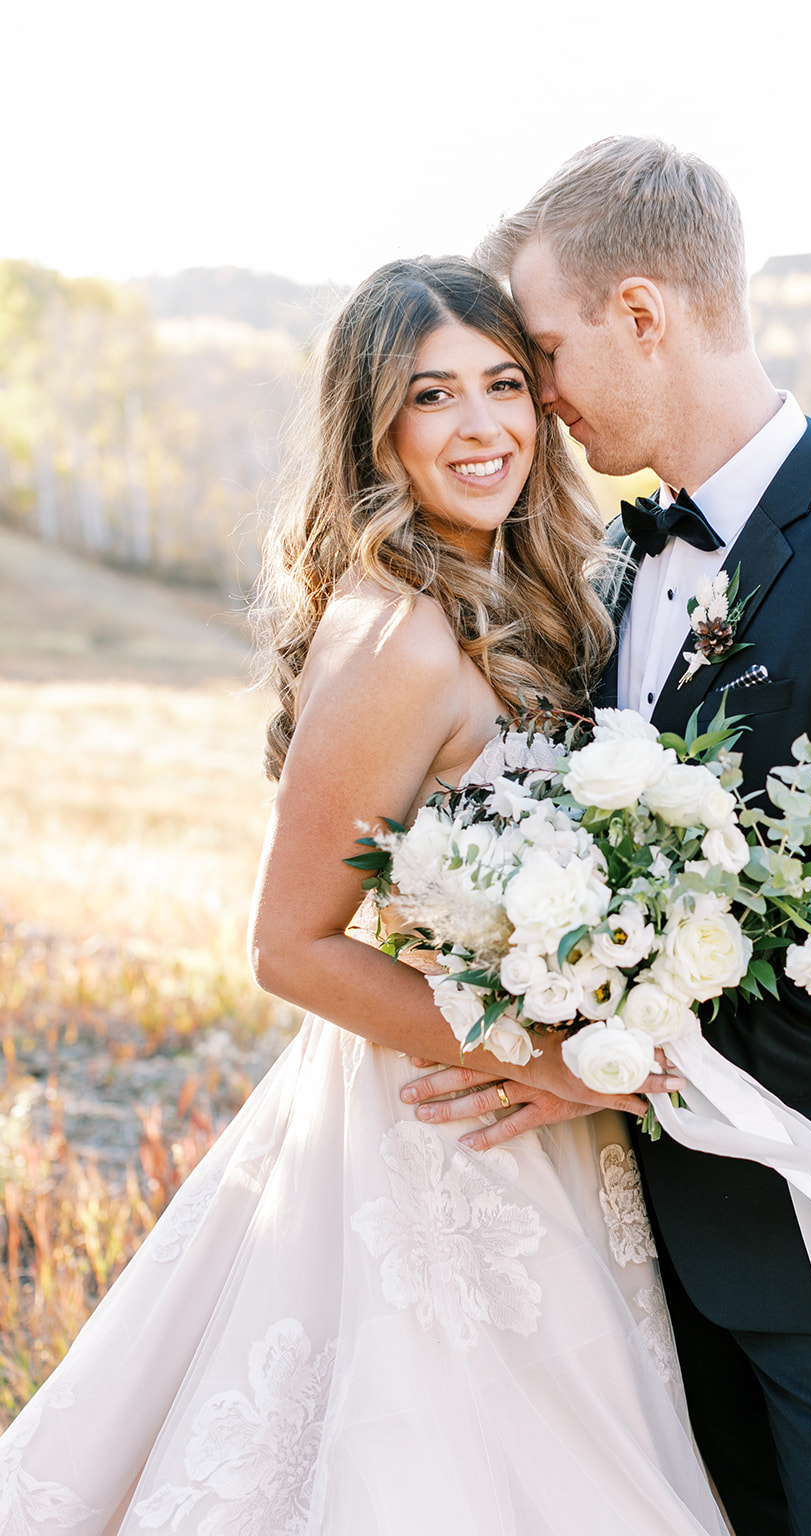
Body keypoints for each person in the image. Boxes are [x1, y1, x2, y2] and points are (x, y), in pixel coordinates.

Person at [0, 258, 731, 1536]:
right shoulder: (398, 636)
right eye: (432, 396)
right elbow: (287, 944)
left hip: (542, 1118)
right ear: (375, 428)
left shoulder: (527, 592)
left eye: (506, 384)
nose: (482, 426)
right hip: (439, 1121)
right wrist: (546, 1051)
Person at [405, 139, 811, 1535]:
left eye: (545, 348)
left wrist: (632, 1074)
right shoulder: (620, 562)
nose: (537, 394)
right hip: (658, 1257)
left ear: (641, 313)